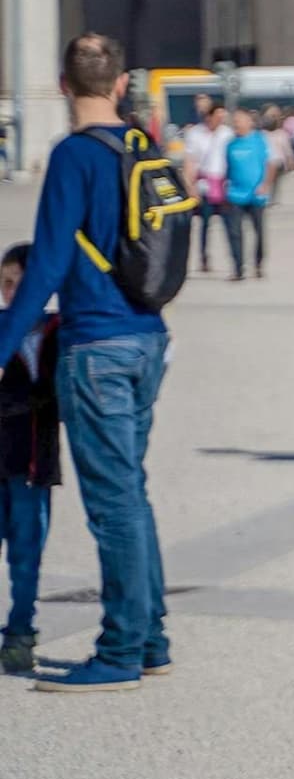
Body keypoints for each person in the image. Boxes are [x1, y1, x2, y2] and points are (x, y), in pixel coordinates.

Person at [0, 34, 172, 692]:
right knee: (132, 492)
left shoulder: (73, 155)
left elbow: (44, 263)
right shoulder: (143, 146)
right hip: (146, 336)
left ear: (64, 84)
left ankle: (122, 648)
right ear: (122, 83)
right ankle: (150, 637)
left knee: (114, 505)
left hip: (96, 343)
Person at [0, 243, 60, 675]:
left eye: (21, 282)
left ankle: (21, 632)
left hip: (32, 465)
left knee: (26, 553)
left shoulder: (60, 330)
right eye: (5, 283)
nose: (12, 292)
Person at [224, 108, 276, 280]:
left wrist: (266, 184)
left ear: (249, 122)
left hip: (256, 194)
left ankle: (258, 263)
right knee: (235, 233)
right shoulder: (230, 145)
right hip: (235, 194)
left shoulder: (260, 141)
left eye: (240, 120)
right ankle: (238, 268)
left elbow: (270, 164)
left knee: (259, 232)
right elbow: (227, 168)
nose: (237, 124)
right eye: (235, 121)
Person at [182, 103, 232, 275]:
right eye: (217, 116)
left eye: (222, 117)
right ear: (209, 117)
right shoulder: (196, 133)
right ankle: (204, 258)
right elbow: (190, 160)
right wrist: (190, 186)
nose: (220, 120)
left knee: (230, 224)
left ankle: (235, 260)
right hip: (204, 183)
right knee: (205, 223)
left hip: (224, 183)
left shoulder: (227, 134)